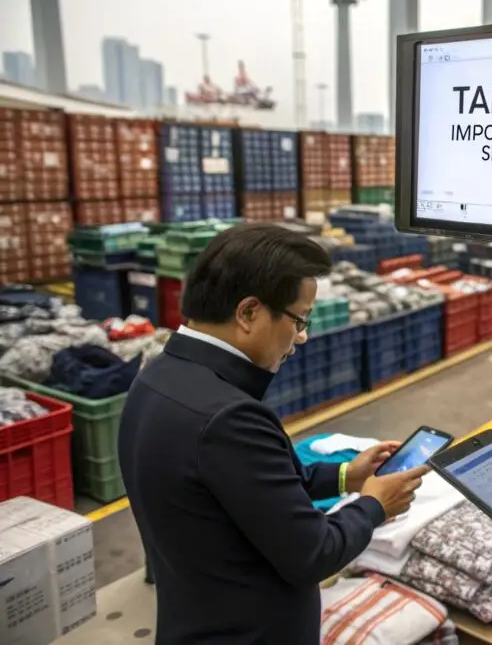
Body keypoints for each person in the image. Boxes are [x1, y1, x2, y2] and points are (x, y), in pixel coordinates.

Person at [118, 223, 428, 645]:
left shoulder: (157, 376)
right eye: (300, 318)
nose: (301, 336)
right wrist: (375, 504)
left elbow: (244, 490)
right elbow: (314, 553)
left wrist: (345, 477)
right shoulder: (229, 417)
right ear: (248, 313)